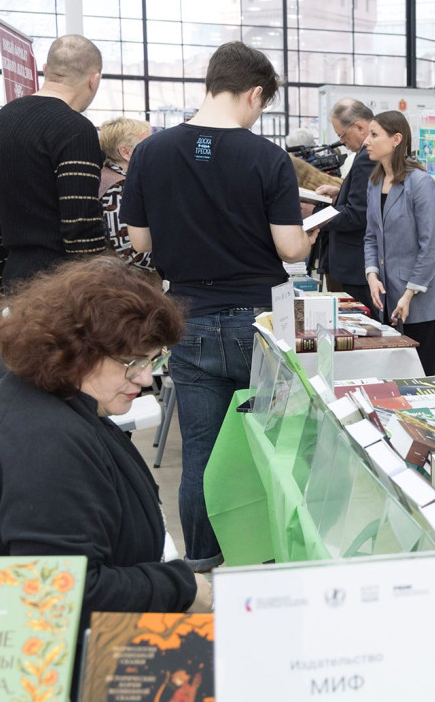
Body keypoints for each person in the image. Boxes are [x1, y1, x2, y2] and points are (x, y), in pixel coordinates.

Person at [122, 41, 315, 570]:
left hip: (188, 315)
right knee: (271, 447)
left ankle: (202, 564)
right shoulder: (268, 158)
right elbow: (290, 248)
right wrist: (308, 235)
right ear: (254, 93)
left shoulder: (150, 153)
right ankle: (268, 559)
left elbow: (140, 242)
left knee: (201, 451)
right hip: (259, 319)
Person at [0, 256, 211, 622]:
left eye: (153, 360)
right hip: (50, 648)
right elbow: (62, 596)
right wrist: (180, 587)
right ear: (78, 350)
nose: (144, 379)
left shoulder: (52, 396)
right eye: (133, 362)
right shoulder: (43, 445)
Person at [0, 35, 109, 289]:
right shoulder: (76, 129)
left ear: (46, 70)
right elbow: (80, 226)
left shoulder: (0, 121)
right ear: (94, 79)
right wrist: (95, 292)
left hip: (16, 280)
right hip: (63, 288)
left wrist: (2, 278)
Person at [364, 111, 435, 375]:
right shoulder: (374, 182)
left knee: (423, 379)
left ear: (396, 139)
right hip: (387, 300)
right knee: (393, 380)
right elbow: (371, 236)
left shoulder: (420, 183)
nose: (367, 141)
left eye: (374, 134)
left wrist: (409, 294)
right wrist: (372, 275)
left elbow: (430, 246)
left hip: (421, 302)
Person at [316, 99, 376, 310]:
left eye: (342, 135)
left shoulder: (367, 156)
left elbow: (357, 213)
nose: (341, 142)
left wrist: (316, 214)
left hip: (356, 265)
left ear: (359, 126)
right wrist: (339, 192)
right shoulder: (365, 154)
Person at [98, 117, 156, 272]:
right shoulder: (117, 189)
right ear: (126, 152)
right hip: (129, 278)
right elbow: (129, 251)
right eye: (147, 145)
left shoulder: (108, 176)